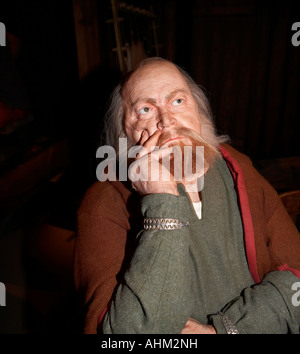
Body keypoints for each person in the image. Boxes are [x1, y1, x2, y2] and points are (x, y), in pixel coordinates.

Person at [74, 57, 300, 334]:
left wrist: (226, 330)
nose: (166, 120)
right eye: (145, 109)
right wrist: (162, 200)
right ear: (124, 136)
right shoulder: (103, 203)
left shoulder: (239, 169)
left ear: (200, 114)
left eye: (177, 101)